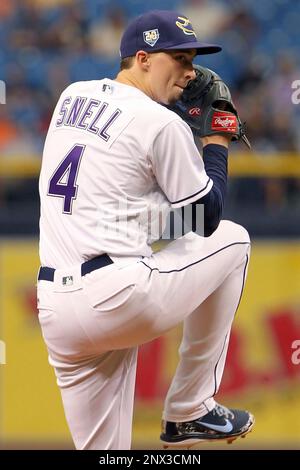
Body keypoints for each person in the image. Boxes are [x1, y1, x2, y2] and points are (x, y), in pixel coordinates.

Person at [37, 9, 254, 450]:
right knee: (233, 240)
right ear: (143, 58)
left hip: (56, 311)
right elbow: (206, 217)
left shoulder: (69, 97)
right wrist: (216, 141)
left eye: (192, 60)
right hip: (117, 297)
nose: (191, 73)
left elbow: (129, 202)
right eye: (180, 59)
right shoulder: (161, 123)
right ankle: (191, 407)